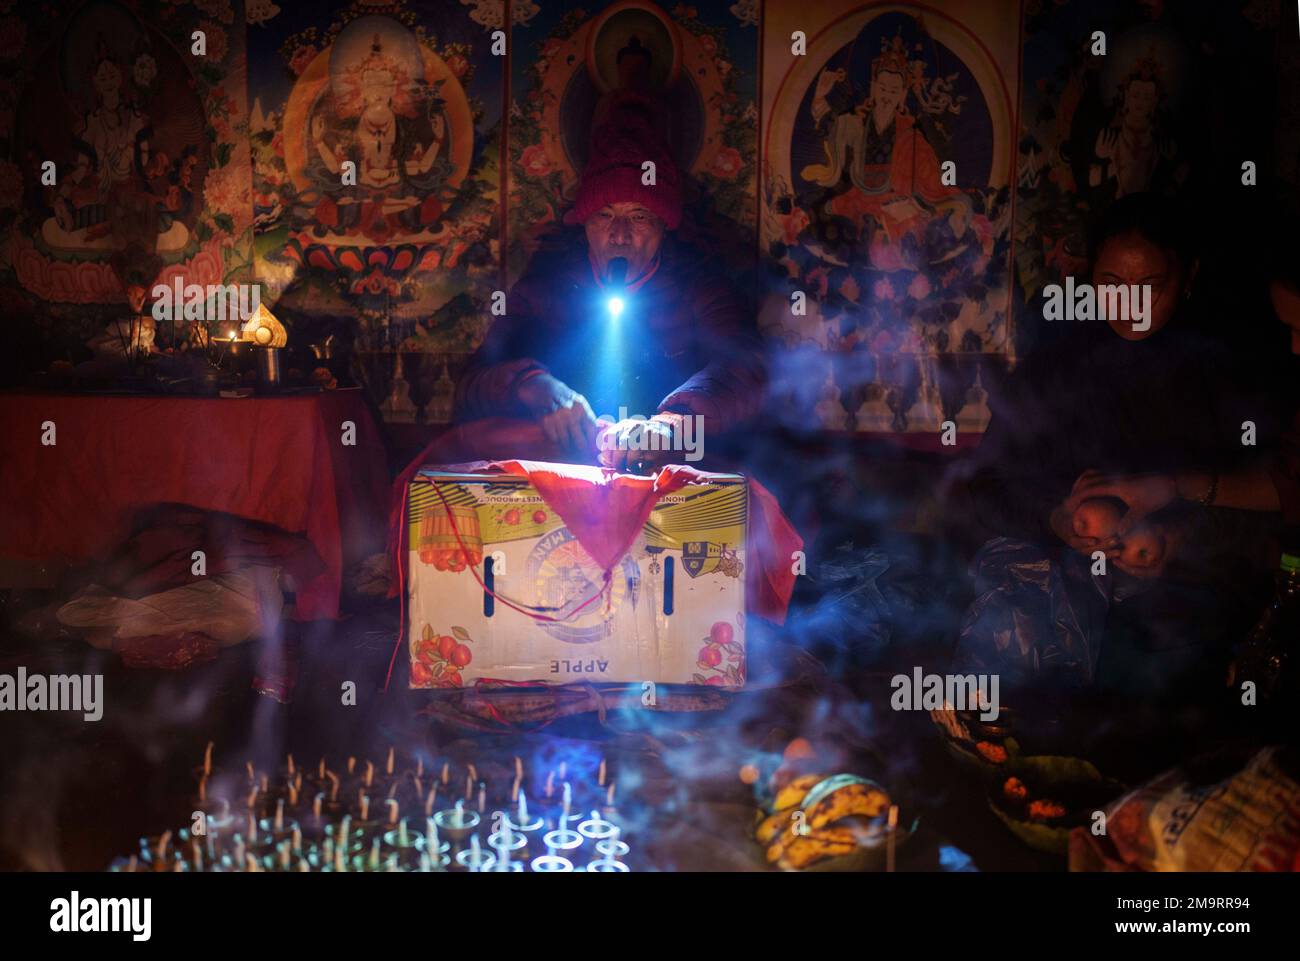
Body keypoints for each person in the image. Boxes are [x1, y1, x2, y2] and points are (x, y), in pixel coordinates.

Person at [952, 193, 1283, 698]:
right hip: (1055, 582)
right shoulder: (1054, 367)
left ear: (1189, 276)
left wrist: (1177, 538)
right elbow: (983, 488)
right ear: (1089, 279)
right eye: (1111, 284)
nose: (1130, 303)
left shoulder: (1225, 375)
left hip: (1182, 599)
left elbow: (1271, 501)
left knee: (1161, 667)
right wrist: (1056, 518)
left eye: (1151, 285)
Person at [444, 92, 766, 473]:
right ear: (583, 224)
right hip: (568, 473)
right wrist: (533, 385)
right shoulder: (546, 287)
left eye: (639, 216)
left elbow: (745, 369)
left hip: (664, 474)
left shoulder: (699, 287)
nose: (619, 235)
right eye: (604, 215)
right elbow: (472, 385)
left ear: (664, 226)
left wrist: (669, 427)